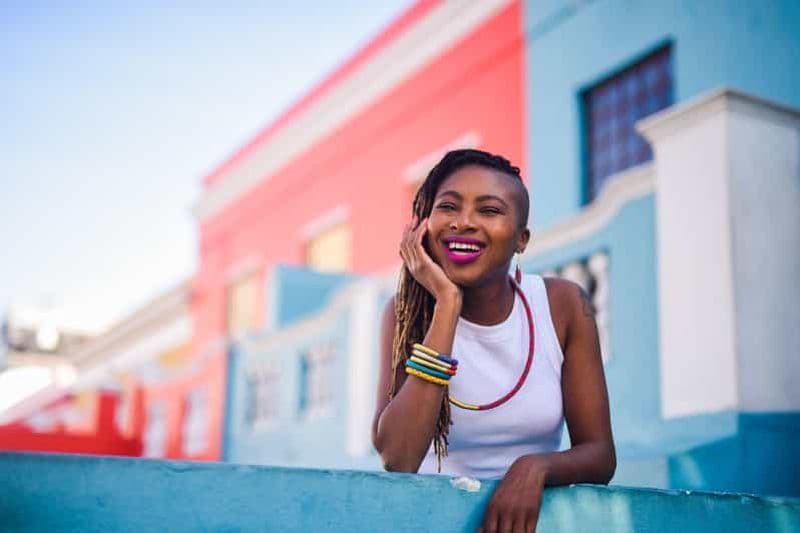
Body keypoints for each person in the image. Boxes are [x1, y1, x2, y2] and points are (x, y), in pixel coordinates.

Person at [371, 149, 615, 533]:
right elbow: (398, 457)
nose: (464, 222)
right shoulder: (405, 314)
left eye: (489, 210)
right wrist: (447, 304)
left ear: (522, 239)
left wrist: (534, 467)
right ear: (423, 226)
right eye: (448, 207)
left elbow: (600, 455)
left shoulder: (563, 306)